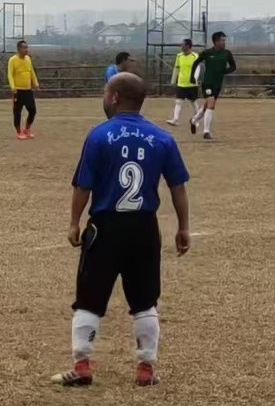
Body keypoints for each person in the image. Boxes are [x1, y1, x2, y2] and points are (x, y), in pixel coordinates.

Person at [51, 71, 190, 389]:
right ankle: (145, 369)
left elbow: (83, 184)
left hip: (106, 225)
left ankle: (82, 365)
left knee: (89, 298)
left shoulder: (99, 135)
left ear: (114, 97)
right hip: (144, 227)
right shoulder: (162, 138)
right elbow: (178, 186)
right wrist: (183, 227)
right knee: (145, 300)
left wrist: (74, 222)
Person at [189, 30, 236, 139]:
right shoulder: (207, 53)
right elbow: (196, 62)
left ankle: (194, 120)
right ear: (215, 41)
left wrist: (225, 71)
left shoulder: (227, 53)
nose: (224, 42)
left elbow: (233, 66)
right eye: (222, 40)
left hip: (217, 84)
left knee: (207, 105)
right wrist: (192, 76)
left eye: (224, 40)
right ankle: (206, 132)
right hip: (207, 83)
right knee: (211, 104)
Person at [8, 39, 39, 139]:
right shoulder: (12, 60)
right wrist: (13, 87)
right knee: (17, 112)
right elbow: (10, 74)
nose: (26, 50)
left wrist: (35, 83)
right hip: (18, 90)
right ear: (19, 49)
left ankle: (27, 129)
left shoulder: (28, 59)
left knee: (32, 110)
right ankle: (18, 132)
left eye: (27, 47)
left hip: (27, 89)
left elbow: (31, 71)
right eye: (24, 47)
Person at [168, 38, 198, 126]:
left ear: (188, 46)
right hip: (181, 83)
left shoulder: (195, 56)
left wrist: (195, 78)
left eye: (183, 45)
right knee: (178, 101)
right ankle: (175, 119)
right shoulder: (179, 56)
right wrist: (173, 80)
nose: (181, 46)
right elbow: (176, 68)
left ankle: (196, 119)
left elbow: (198, 68)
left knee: (194, 102)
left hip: (192, 84)